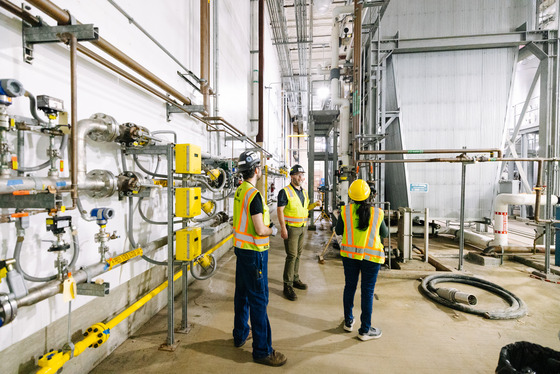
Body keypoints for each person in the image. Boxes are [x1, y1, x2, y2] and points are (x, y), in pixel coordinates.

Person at [232, 150, 287, 366]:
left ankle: (240, 334)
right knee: (259, 300)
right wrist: (273, 230)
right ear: (256, 170)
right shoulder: (253, 195)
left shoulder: (240, 191)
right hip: (255, 253)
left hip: (242, 250)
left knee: (242, 295)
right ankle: (262, 350)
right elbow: (259, 229)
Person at [334, 179, 388, 341]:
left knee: (349, 287)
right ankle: (365, 330)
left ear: (350, 195)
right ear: (369, 196)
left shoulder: (345, 211)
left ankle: (348, 321)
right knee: (367, 292)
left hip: (350, 257)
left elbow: (338, 230)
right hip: (371, 258)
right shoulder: (377, 213)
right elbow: (384, 233)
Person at [276, 164, 320, 301]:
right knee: (291, 255)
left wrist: (315, 205)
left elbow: (305, 207)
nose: (301, 177)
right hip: (291, 228)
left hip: (302, 227)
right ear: (292, 176)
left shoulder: (304, 192)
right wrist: (283, 228)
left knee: (298, 254)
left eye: (302, 175)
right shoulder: (285, 192)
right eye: (298, 175)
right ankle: (287, 285)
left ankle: (295, 278)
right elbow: (280, 210)